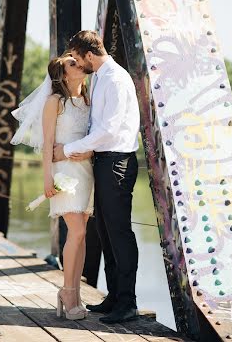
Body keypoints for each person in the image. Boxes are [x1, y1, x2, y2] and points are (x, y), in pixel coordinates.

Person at [53, 30, 140, 324]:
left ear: (89, 55)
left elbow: (109, 130)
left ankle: (127, 303)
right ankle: (115, 296)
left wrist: (69, 149)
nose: (78, 63)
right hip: (103, 161)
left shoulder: (114, 79)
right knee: (104, 231)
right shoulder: (101, 77)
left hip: (117, 163)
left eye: (78, 59)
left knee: (119, 232)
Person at [11, 53, 94, 321]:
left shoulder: (87, 100)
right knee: (77, 230)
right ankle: (68, 292)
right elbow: (47, 144)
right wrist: (47, 178)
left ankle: (75, 293)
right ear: (63, 74)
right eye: (72, 63)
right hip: (63, 172)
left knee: (81, 236)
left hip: (86, 171)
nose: (78, 64)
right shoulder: (54, 102)